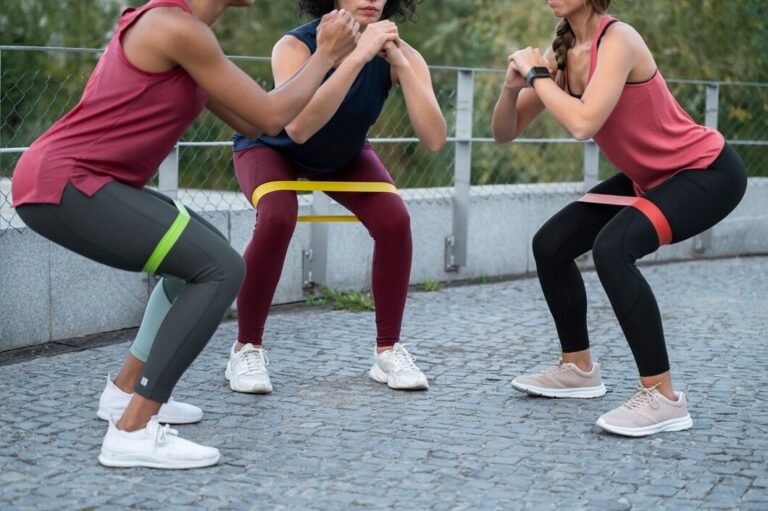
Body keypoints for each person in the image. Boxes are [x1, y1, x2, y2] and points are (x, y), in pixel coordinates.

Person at [12, 0, 358, 468]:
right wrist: (326, 53)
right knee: (220, 268)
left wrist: (332, 62)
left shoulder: (187, 34)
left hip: (77, 181)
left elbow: (257, 121)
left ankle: (123, 393)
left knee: (198, 253)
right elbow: (274, 117)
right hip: (68, 182)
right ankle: (132, 430)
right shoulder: (174, 27)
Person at [491, 0, 746, 436]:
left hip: (706, 172)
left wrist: (538, 75)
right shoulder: (560, 57)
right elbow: (504, 132)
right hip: (646, 177)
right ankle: (577, 368)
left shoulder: (619, 40)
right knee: (551, 245)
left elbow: (584, 123)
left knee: (613, 248)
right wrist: (513, 87)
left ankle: (663, 397)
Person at [225, 0, 446, 393]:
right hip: (270, 147)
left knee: (394, 220)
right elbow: (299, 128)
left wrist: (403, 64)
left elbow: (433, 140)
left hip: (341, 154)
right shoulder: (296, 47)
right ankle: (246, 347)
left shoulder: (401, 54)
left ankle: (388, 349)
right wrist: (359, 55)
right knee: (277, 217)